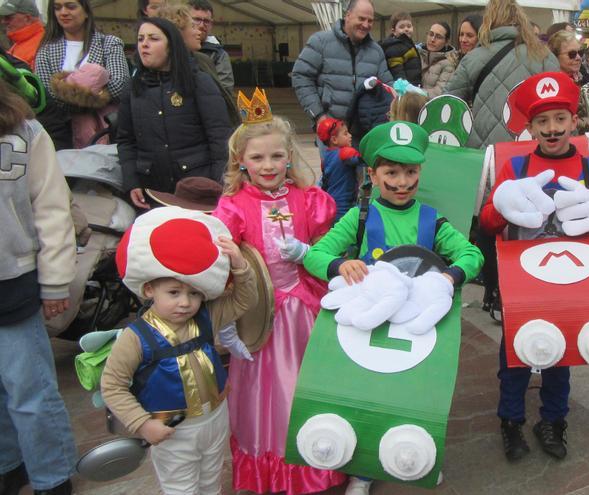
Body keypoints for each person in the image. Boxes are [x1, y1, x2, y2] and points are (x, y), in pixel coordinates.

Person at [303, 121, 484, 493]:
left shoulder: (431, 219)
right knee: (369, 390)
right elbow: (316, 254)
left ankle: (422, 455)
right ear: (373, 173)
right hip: (372, 325)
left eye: (410, 172)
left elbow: (472, 253)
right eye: (391, 172)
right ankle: (365, 469)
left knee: (420, 389)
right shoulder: (360, 216)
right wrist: (340, 265)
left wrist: (450, 276)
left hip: (418, 322)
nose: (402, 181)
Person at [480, 72, 589, 462]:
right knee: (513, 355)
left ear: (574, 120)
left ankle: (553, 420)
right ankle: (510, 420)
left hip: (571, 282)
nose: (552, 129)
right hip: (522, 284)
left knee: (561, 355)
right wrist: (499, 206)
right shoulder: (514, 167)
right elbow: (486, 221)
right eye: (542, 121)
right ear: (530, 126)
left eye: (560, 119)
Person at [212, 89, 346, 495]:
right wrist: (229, 320)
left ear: (289, 156)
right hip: (259, 319)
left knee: (306, 389)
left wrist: (310, 255)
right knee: (265, 398)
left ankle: (318, 462)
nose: (268, 165)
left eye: (276, 156)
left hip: (305, 312)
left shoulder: (310, 200)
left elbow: (328, 251)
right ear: (241, 161)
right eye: (257, 158)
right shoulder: (232, 207)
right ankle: (277, 468)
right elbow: (224, 269)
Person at [100, 207, 256, 495]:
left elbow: (245, 300)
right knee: (180, 488)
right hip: (172, 429)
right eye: (174, 292)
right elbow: (112, 386)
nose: (185, 302)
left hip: (215, 418)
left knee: (211, 481)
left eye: (194, 293)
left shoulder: (207, 317)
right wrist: (143, 424)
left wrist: (240, 267)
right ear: (149, 290)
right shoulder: (136, 338)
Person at [0, 82, 78, 495]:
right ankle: (10, 464)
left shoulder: (26, 133)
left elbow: (50, 208)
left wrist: (54, 281)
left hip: (12, 282)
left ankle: (52, 475)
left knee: (29, 389)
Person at [118, 17, 233, 209]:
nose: (144, 44)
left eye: (153, 39)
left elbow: (220, 136)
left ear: (171, 45)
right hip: (152, 189)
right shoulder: (132, 88)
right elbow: (125, 140)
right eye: (140, 39)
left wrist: (219, 182)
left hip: (196, 187)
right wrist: (132, 181)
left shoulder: (198, 81)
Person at [444, 0, 558, 148]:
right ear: (521, 19)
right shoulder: (543, 55)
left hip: (484, 150)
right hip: (530, 146)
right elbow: (559, 106)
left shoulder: (473, 58)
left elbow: (448, 102)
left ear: (488, 20)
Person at [292, 0, 392, 140]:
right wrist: (319, 116)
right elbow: (300, 77)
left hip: (365, 135)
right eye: (361, 18)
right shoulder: (320, 42)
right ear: (348, 15)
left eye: (370, 21)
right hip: (332, 133)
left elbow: (388, 87)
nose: (365, 25)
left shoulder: (376, 51)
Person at [34, 0, 129, 144]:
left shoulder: (109, 43)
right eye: (57, 8)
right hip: (64, 135)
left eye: (71, 6)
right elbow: (48, 96)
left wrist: (67, 90)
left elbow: (120, 85)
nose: (64, 12)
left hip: (107, 130)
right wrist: (95, 93)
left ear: (85, 11)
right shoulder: (46, 51)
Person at [156, 3, 238, 125]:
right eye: (195, 22)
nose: (200, 27)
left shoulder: (215, 56)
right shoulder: (154, 66)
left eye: (206, 21)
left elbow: (223, 94)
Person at [548, 30, 589, 132]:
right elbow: (564, 123)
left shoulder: (576, 78)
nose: (578, 58)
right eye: (572, 54)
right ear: (555, 57)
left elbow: (578, 112)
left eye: (580, 53)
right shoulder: (553, 86)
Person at [317, 117, 364, 222]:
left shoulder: (325, 157)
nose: (350, 136)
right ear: (334, 140)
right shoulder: (345, 152)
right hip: (345, 204)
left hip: (331, 203)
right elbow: (363, 159)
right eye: (346, 134)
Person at [188, 0, 234, 94]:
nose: (201, 25)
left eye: (206, 21)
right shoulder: (173, 48)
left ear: (211, 24)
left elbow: (225, 91)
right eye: (196, 19)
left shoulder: (219, 54)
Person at [379, 11, 422, 86]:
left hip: (414, 85)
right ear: (394, 31)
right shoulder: (393, 48)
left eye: (409, 26)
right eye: (401, 27)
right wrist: (406, 88)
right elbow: (397, 72)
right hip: (405, 89)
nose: (406, 29)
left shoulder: (408, 44)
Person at [0, 0, 44, 69]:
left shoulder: (43, 45)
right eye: (3, 18)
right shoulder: (20, 41)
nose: (3, 22)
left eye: (8, 17)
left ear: (27, 19)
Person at [418, 21, 455, 97]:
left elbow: (439, 93)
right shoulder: (419, 55)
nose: (432, 39)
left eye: (438, 37)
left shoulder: (449, 64)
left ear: (446, 42)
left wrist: (415, 93)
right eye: (431, 34)